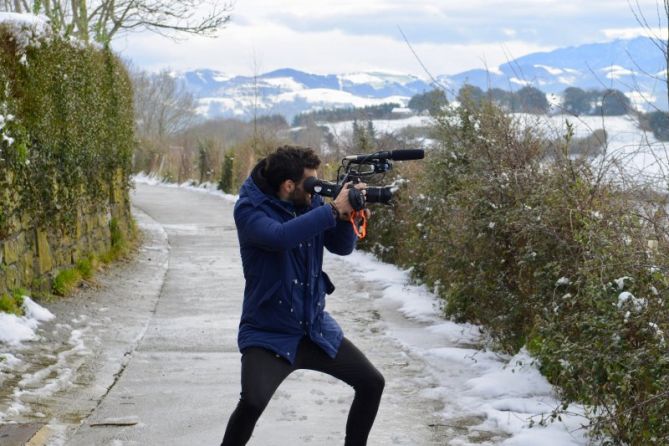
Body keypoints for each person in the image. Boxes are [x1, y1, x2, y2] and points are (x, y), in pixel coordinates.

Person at [220, 145, 385, 446]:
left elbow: (341, 246)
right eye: (310, 183)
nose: (315, 189)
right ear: (288, 185)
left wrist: (349, 215)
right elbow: (280, 237)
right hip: (268, 332)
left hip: (313, 328)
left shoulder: (311, 202)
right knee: (253, 402)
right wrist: (333, 209)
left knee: (372, 383)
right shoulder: (249, 210)